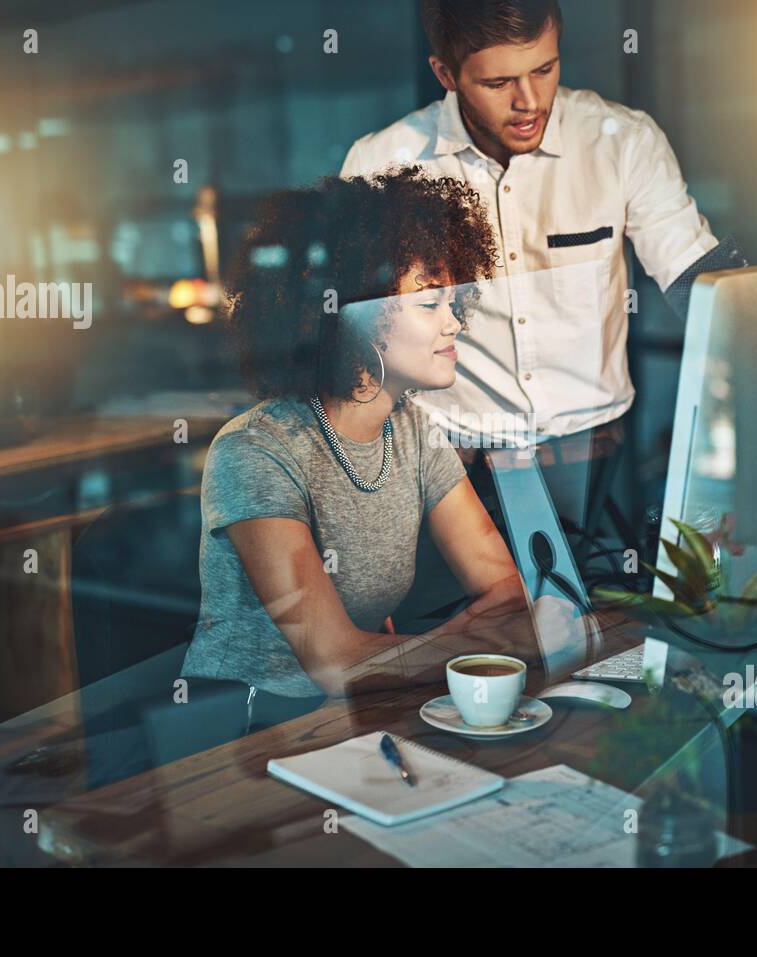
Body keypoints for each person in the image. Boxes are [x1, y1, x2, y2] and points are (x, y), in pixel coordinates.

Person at [340, 0, 729, 550]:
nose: (529, 102)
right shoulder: (382, 164)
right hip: (445, 457)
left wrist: (756, 352)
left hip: (592, 451)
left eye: (544, 70)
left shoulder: (623, 141)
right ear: (445, 75)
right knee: (469, 631)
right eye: (499, 82)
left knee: (602, 621)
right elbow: (358, 340)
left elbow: (697, 280)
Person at [181, 167, 570, 702]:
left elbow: (506, 590)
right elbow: (337, 664)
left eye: (452, 301)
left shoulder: (412, 432)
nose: (453, 322)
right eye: (430, 303)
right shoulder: (256, 452)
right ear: (352, 317)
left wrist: (415, 650)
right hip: (246, 731)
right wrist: (481, 644)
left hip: (361, 712)